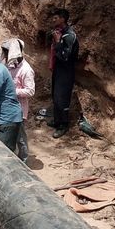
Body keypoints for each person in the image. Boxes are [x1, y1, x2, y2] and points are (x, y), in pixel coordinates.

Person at [1, 37, 35, 163]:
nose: (4, 55)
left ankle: (24, 162)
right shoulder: (9, 65)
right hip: (7, 107)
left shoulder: (26, 70)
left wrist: (12, 92)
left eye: (6, 52)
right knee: (7, 135)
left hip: (18, 109)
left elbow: (30, 91)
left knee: (20, 137)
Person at [49, 8, 79, 139]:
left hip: (66, 72)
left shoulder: (69, 35)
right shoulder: (59, 33)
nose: (53, 20)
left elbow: (64, 56)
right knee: (55, 96)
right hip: (58, 70)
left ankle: (63, 125)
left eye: (56, 18)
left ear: (63, 19)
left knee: (62, 98)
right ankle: (57, 121)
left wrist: (57, 42)